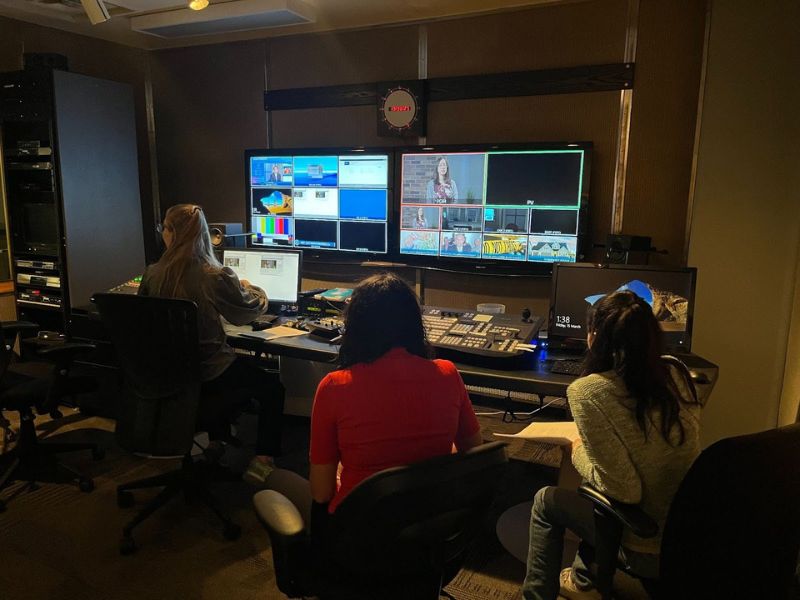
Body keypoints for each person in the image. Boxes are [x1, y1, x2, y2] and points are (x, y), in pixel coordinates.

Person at [523, 291, 701, 600]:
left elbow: (624, 490)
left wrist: (575, 447)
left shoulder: (588, 392)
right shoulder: (676, 372)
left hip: (647, 546)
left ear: (594, 337)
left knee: (545, 500)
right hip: (691, 537)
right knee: (600, 485)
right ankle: (584, 578)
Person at [309, 272, 483, 513]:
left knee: (283, 483)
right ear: (414, 324)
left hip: (359, 531)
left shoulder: (333, 387)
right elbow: (475, 454)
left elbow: (321, 492)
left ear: (355, 327)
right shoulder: (448, 374)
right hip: (430, 521)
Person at [140, 203, 284, 485]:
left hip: (165, 376)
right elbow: (246, 313)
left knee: (233, 372)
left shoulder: (152, 274)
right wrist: (251, 289)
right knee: (272, 388)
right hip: (208, 373)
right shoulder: (213, 275)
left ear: (172, 233)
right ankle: (263, 459)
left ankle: (217, 443)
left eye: (163, 229)